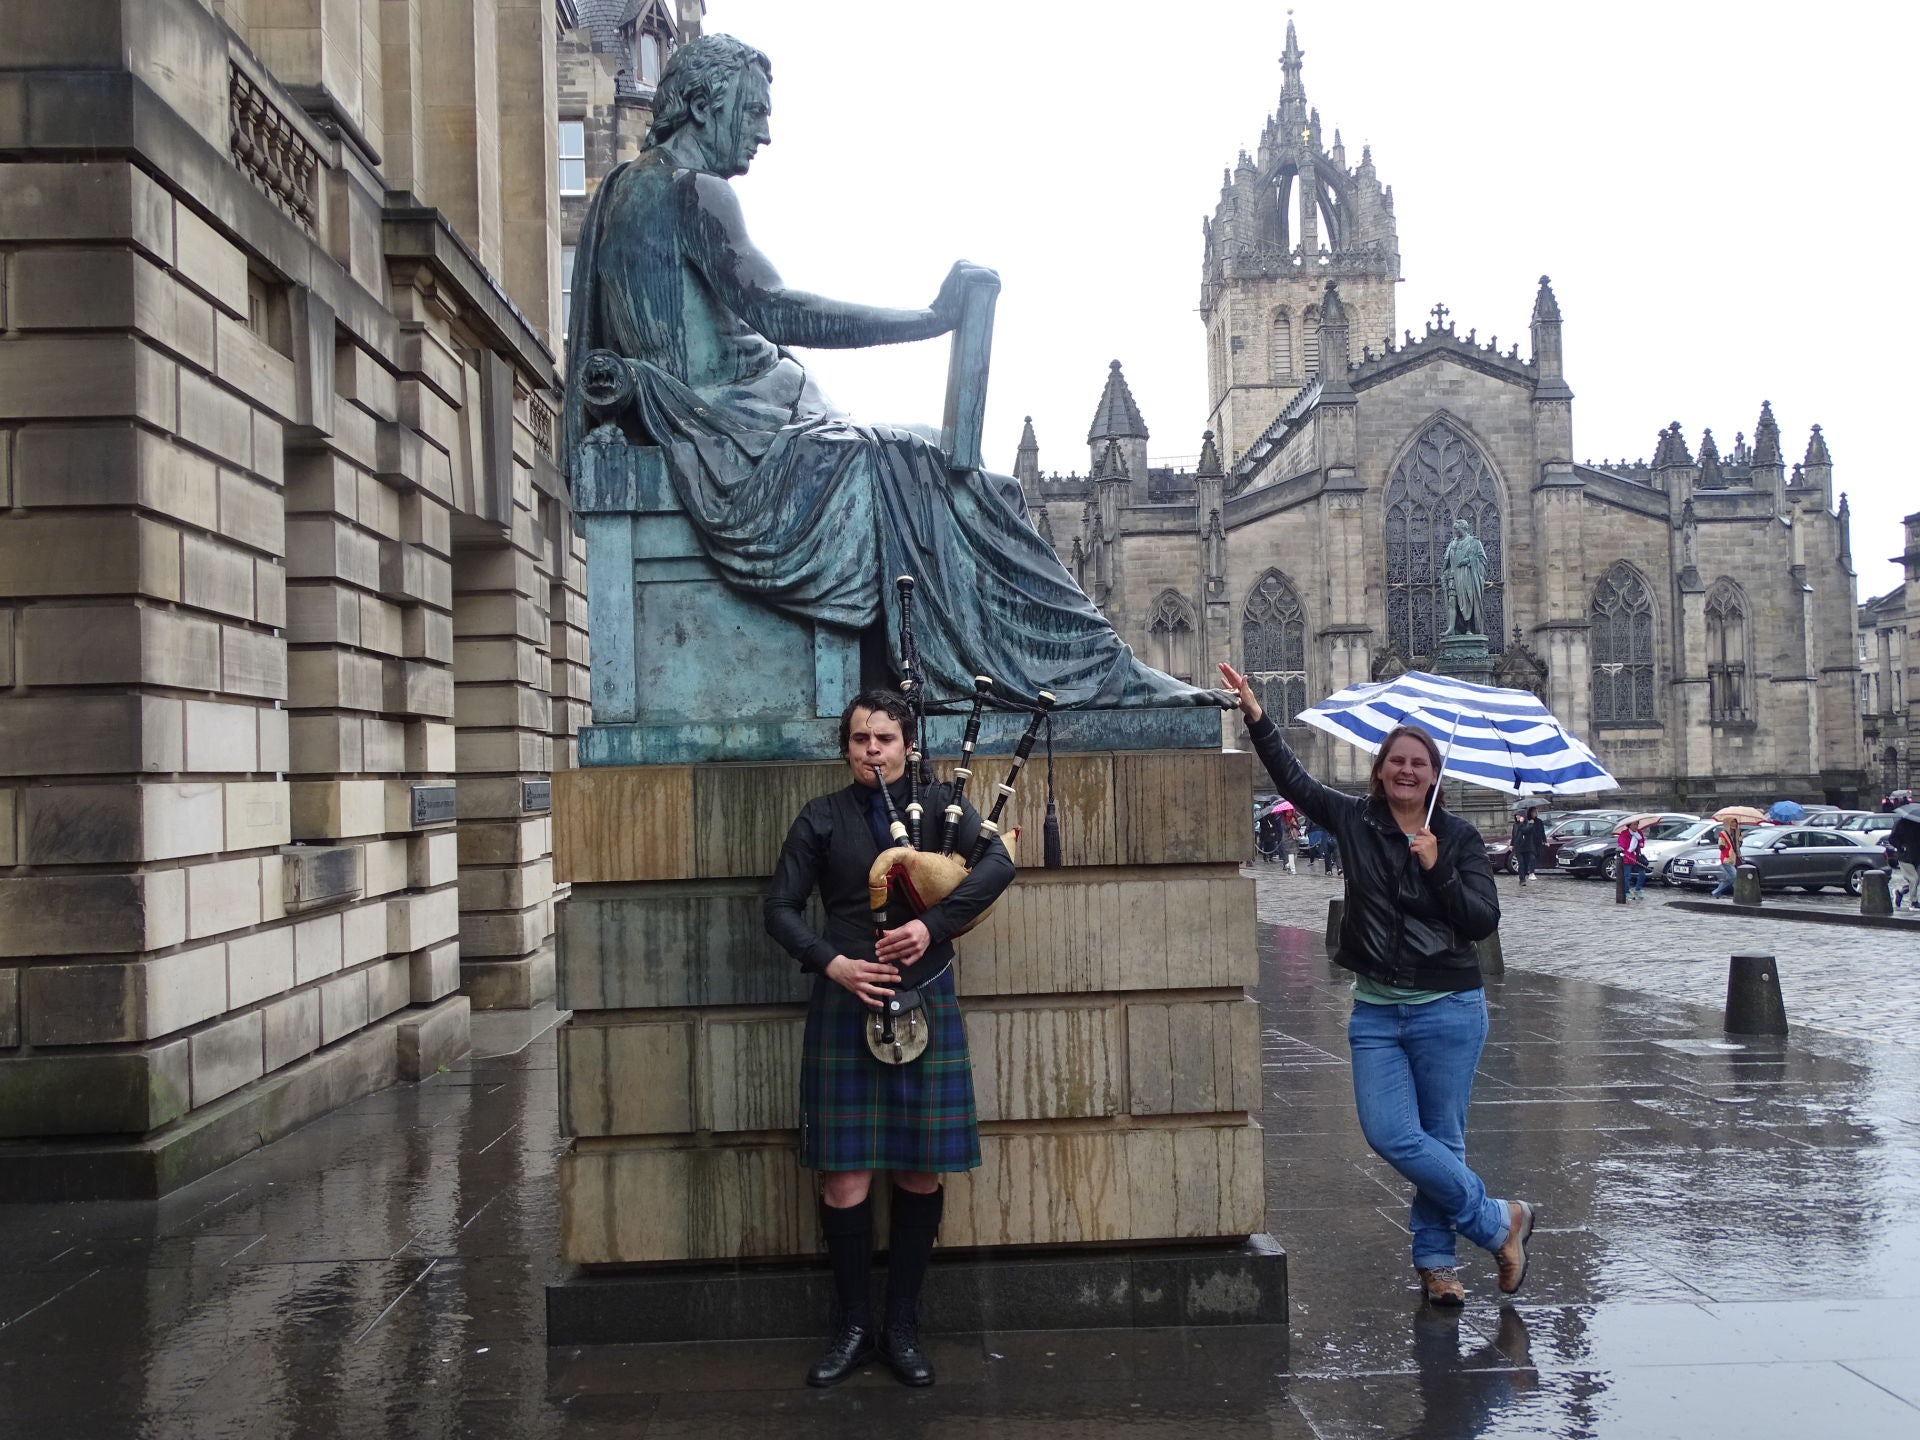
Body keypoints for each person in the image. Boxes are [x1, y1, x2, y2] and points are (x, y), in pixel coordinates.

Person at [565, 34, 1228, 712]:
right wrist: (930, 318)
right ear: (706, 106)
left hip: (725, 428)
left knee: (959, 473)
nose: (765, 133)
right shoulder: (692, 189)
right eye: (754, 110)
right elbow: (778, 310)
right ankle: (1086, 675)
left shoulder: (624, 188)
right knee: (953, 476)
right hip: (734, 441)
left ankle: (1083, 667)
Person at [1218, 661, 1535, 1307]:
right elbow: (1295, 781)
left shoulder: (1458, 838)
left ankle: (1437, 1265)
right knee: (1390, 1134)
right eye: (1397, 761)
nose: (1407, 770)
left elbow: (1481, 921)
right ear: (1381, 768)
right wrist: (1256, 716)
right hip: (1377, 1010)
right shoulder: (1356, 820)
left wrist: (1438, 868)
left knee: (1441, 1141)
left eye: (1419, 763)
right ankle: (1498, 1222)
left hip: (1449, 1006)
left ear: (1434, 773)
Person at [763, 689, 1015, 1388]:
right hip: (847, 1000)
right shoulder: (821, 818)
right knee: (844, 1177)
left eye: (885, 738)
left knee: (919, 1169)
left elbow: (999, 865)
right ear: (846, 748)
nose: (872, 750)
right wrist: (832, 964)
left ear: (908, 744)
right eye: (859, 739)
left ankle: (902, 1327)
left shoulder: (942, 809)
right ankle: (852, 1328)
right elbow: (779, 908)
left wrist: (932, 927)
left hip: (925, 995)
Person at [1511, 810, 1545, 888]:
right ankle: (1522, 880)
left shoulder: (1529, 824)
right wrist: (1512, 844)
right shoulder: (1515, 825)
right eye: (1516, 815)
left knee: (1526, 864)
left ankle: (1524, 875)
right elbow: (1514, 835)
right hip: (1518, 847)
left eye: (1519, 815)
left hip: (1527, 847)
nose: (1517, 817)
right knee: (1521, 863)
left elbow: (1525, 831)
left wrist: (1522, 823)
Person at [1618, 821, 1647, 900]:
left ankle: (1638, 889)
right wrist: (1626, 850)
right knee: (1627, 876)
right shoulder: (1624, 833)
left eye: (1637, 824)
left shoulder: (1639, 833)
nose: (1636, 826)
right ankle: (1626, 891)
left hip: (1637, 856)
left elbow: (1642, 842)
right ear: (1629, 825)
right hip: (1627, 856)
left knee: (1642, 873)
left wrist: (1641, 843)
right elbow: (1622, 844)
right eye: (1634, 824)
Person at [1708, 825, 1739, 898]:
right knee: (1734, 876)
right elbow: (1721, 846)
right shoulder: (1723, 834)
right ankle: (1738, 894)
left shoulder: (1735, 834)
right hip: (1726, 859)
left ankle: (1717, 892)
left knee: (1730, 878)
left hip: (1732, 859)